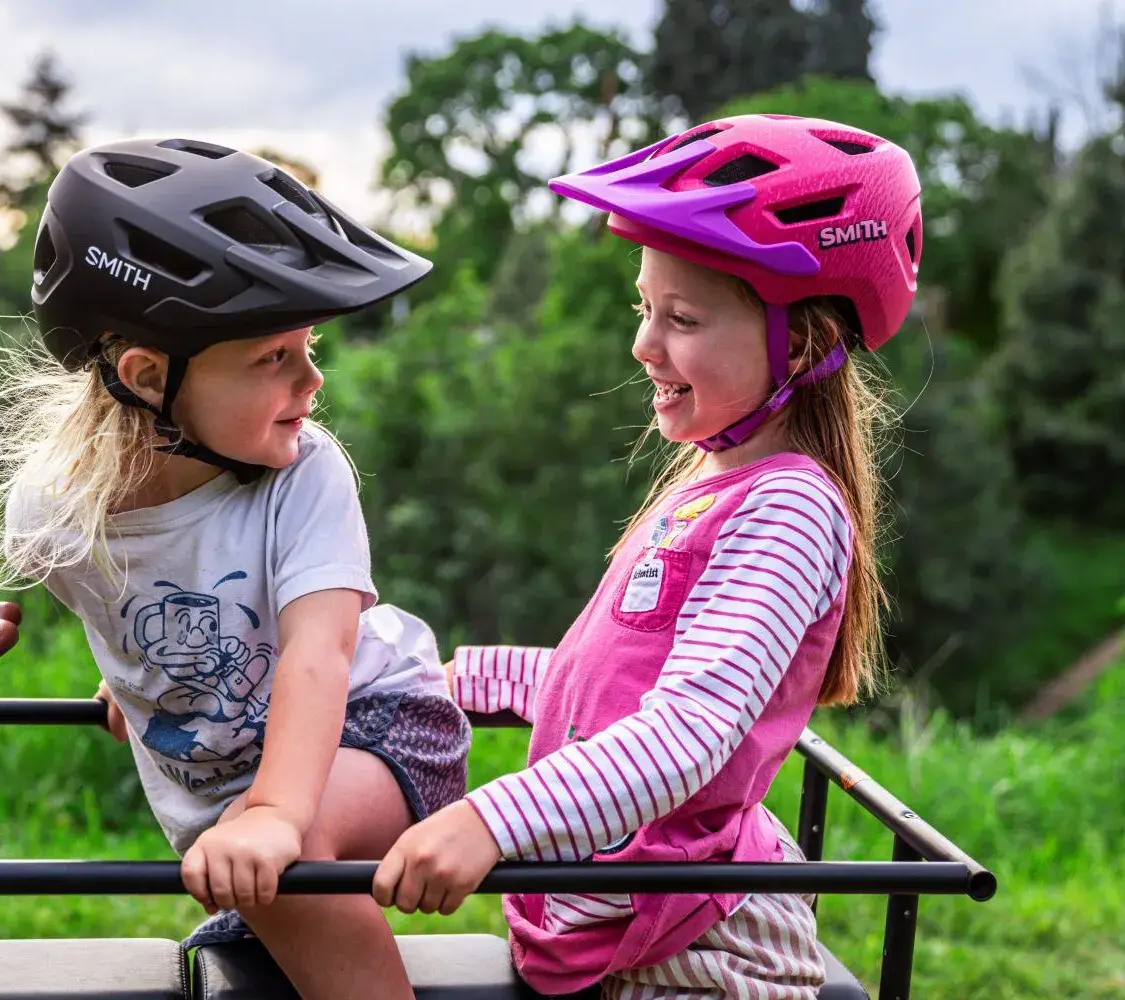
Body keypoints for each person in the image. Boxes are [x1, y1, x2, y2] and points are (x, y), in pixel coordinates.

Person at [373, 113, 922, 1000]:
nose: (643, 344)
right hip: (631, 925)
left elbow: (685, 733)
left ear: (801, 343)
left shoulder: (789, 509)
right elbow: (614, 684)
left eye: (683, 318)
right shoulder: (711, 482)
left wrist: (489, 820)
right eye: (645, 308)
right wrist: (442, 680)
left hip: (703, 955)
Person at [0, 137, 470, 1000]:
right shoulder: (53, 512)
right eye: (274, 358)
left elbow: (319, 654)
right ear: (149, 377)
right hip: (234, 787)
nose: (312, 380)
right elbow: (129, 608)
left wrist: (275, 813)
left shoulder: (306, 475)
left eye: (308, 347)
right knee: (260, 900)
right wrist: (145, 678)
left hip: (373, 724)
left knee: (285, 871)